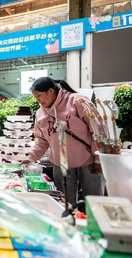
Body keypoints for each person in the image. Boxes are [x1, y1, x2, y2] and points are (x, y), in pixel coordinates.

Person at [20, 77, 104, 205]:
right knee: (65, 204)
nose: (38, 100)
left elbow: (97, 129)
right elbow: (42, 141)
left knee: (95, 203)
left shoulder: (77, 101)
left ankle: (95, 224)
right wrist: (31, 158)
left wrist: (98, 158)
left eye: (39, 96)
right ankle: (70, 224)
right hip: (61, 165)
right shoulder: (40, 113)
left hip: (89, 162)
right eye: (35, 97)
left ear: (51, 91)